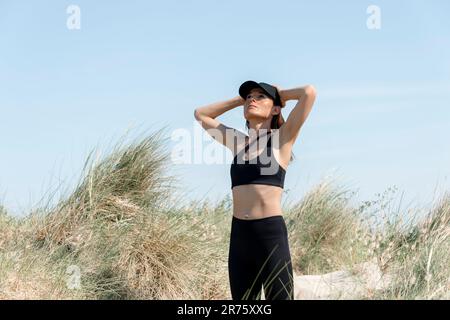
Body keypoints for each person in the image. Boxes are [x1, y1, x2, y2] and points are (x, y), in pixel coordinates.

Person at [194, 80, 317, 300]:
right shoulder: (238, 142)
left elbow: (308, 93)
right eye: (249, 96)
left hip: (269, 235)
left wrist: (281, 94)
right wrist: (241, 100)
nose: (252, 99)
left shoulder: (282, 139)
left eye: (260, 96)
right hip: (240, 235)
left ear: (275, 108)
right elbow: (201, 114)